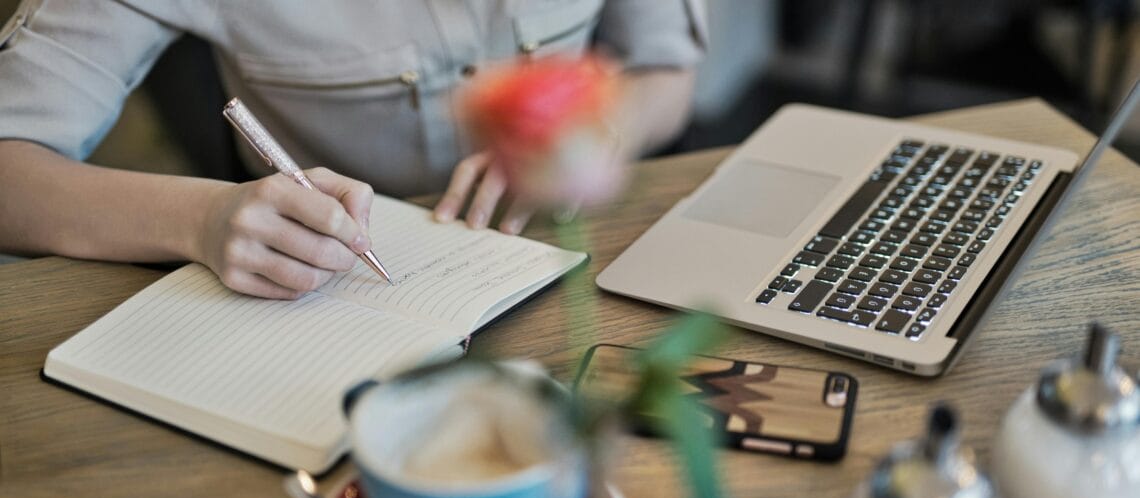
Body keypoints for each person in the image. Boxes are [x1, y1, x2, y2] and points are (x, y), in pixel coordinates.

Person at [0, 1, 707, 299]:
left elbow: (667, 72)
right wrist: (200, 219)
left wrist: (598, 135)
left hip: (572, 259)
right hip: (327, 293)